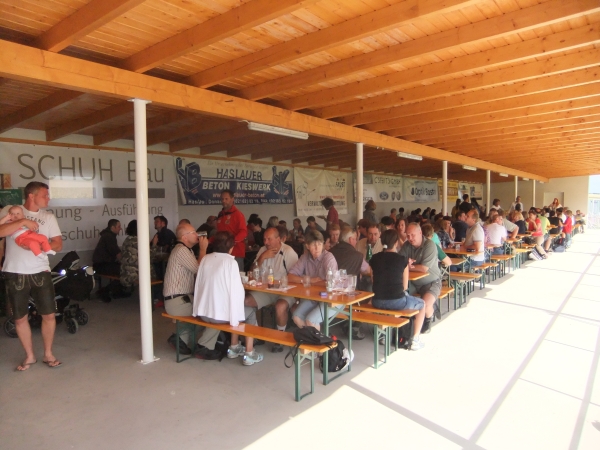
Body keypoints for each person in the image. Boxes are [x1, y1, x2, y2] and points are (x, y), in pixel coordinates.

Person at [0, 181, 63, 370]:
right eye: (45, 195)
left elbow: (58, 244)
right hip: (15, 271)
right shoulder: (11, 211)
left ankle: (48, 354)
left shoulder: (48, 217)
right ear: (31, 195)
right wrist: (22, 222)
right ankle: (30, 356)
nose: (48, 198)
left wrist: (41, 248)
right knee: (20, 318)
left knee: (49, 315)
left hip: (41, 270)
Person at [193, 231, 263, 366]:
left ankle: (234, 347)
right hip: (218, 316)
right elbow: (237, 292)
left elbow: (198, 283)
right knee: (250, 311)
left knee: (239, 310)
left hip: (203, 313)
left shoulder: (206, 259)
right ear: (231, 248)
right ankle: (249, 353)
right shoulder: (230, 262)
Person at [163, 223, 219, 359]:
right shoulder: (181, 250)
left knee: (208, 311)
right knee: (216, 315)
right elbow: (199, 270)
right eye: (193, 232)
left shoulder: (186, 250)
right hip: (179, 302)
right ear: (184, 237)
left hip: (181, 299)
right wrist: (203, 249)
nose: (197, 235)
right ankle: (204, 346)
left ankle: (180, 339)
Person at [244, 227, 298, 353]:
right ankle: (255, 334)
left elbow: (296, 276)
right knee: (246, 301)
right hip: (267, 290)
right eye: (264, 239)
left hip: (286, 290)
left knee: (280, 306)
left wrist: (281, 283)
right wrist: (262, 257)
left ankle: (279, 338)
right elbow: (252, 272)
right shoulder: (263, 250)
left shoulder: (288, 252)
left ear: (278, 239)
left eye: (269, 239)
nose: (266, 242)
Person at [370, 230, 426, 350]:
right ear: (396, 242)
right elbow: (405, 287)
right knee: (422, 304)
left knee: (388, 307)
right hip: (397, 301)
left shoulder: (374, 258)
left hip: (377, 301)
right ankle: (415, 339)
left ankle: (383, 335)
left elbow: (373, 281)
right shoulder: (402, 259)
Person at [288, 230, 338, 331]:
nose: (317, 248)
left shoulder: (328, 258)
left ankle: (317, 339)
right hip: (313, 297)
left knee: (311, 320)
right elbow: (290, 277)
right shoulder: (305, 257)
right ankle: (314, 338)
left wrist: (309, 282)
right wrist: (310, 280)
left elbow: (331, 283)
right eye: (313, 245)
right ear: (307, 246)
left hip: (331, 298)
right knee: (296, 317)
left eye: (319, 244)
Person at [329, 226, 370, 340]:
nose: (356, 241)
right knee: (370, 293)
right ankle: (356, 325)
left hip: (329, 291)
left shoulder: (330, 252)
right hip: (349, 294)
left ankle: (347, 321)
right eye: (355, 239)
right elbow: (368, 270)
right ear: (350, 239)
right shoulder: (357, 255)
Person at [400, 223, 441, 334]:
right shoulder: (406, 246)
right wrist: (406, 265)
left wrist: (408, 266)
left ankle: (428, 318)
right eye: (408, 235)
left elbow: (424, 268)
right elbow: (399, 262)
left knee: (425, 305)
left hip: (431, 281)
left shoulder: (430, 245)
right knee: (398, 298)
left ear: (420, 233)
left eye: (412, 235)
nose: (410, 238)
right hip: (412, 282)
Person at [120, 220, 158, 296]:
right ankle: (155, 296)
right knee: (157, 272)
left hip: (125, 272)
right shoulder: (140, 241)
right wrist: (154, 244)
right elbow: (149, 257)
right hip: (135, 274)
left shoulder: (127, 239)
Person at [92, 218, 123, 302]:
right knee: (125, 271)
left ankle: (116, 291)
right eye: (119, 226)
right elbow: (117, 253)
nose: (120, 228)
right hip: (102, 265)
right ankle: (105, 291)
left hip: (102, 264)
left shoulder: (108, 235)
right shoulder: (109, 237)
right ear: (112, 228)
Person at [216, 189, 247, 271]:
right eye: (222, 199)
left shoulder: (238, 214)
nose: (224, 201)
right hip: (222, 253)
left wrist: (231, 242)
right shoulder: (220, 215)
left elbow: (243, 232)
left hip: (235, 253)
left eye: (226, 199)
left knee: (237, 276)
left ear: (232, 199)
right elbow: (219, 233)